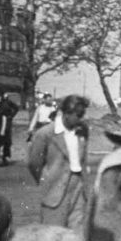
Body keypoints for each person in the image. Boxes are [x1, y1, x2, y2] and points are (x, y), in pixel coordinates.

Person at [28, 95, 90, 232]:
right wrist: (47, 179)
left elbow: (83, 159)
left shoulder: (82, 131)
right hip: (55, 189)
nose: (81, 118)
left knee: (78, 236)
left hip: (79, 187)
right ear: (66, 113)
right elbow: (34, 163)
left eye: (83, 114)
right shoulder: (45, 134)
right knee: (53, 235)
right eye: (78, 114)